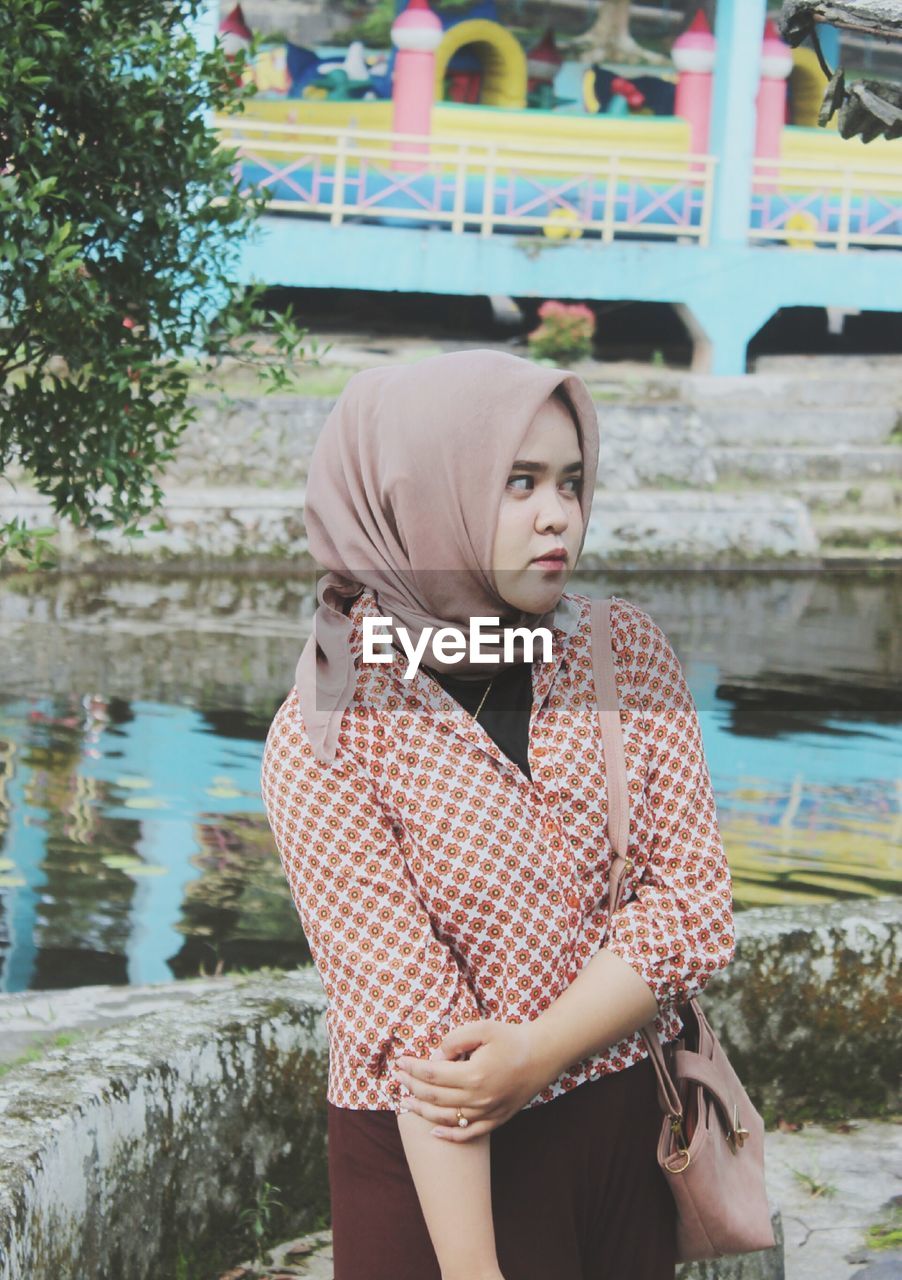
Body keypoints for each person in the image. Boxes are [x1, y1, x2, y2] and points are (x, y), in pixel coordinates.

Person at [260, 348, 735, 1280]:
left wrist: (535, 1052)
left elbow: (695, 905)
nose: (557, 514)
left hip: (621, 1128)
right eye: (516, 482)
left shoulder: (619, 654)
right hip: (436, 1173)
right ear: (415, 497)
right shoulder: (329, 735)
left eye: (570, 481)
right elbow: (420, 1042)